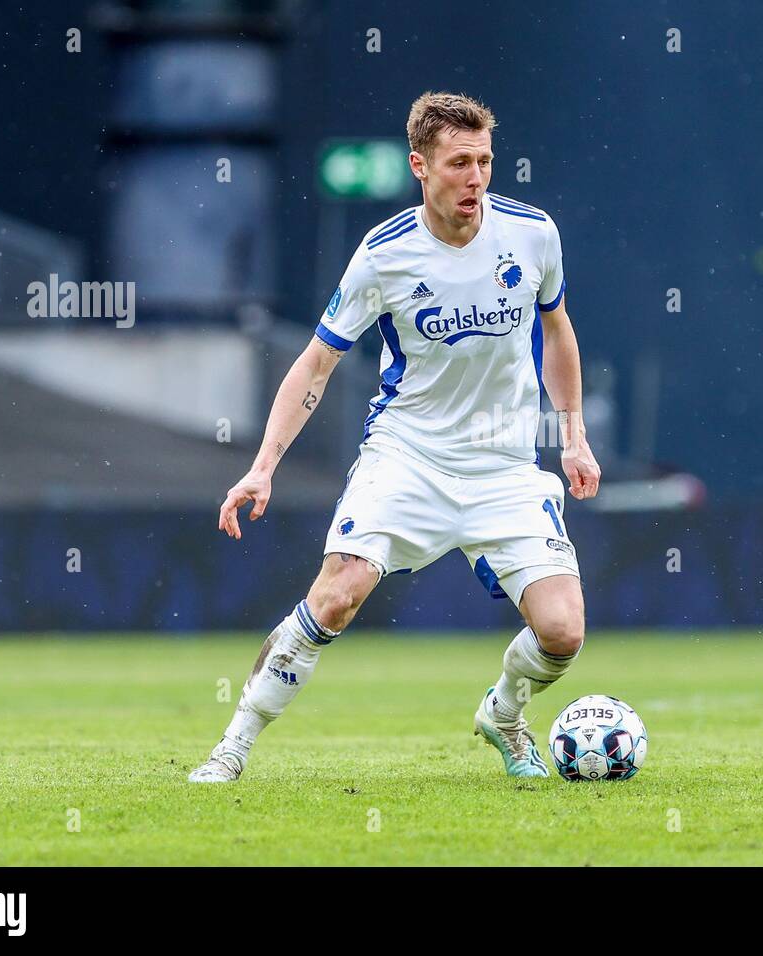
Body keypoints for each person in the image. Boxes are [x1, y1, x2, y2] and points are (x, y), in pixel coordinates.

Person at [189, 91, 600, 783]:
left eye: (486, 161)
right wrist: (262, 467)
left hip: (504, 465)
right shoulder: (385, 256)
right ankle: (232, 745)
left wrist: (573, 436)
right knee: (337, 594)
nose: (477, 178)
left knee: (563, 633)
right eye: (460, 163)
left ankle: (502, 714)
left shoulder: (533, 234)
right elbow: (317, 362)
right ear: (420, 165)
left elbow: (557, 331)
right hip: (408, 457)